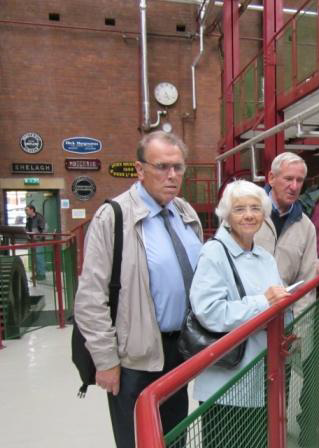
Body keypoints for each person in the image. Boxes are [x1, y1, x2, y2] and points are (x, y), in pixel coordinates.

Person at [74, 131, 203, 448]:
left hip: (179, 350)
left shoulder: (185, 213)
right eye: (162, 167)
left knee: (174, 437)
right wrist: (105, 361)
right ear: (139, 169)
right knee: (137, 441)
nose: (172, 176)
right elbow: (90, 299)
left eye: (178, 167)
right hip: (133, 357)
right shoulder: (114, 217)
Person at [189, 180, 291, 448]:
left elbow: (277, 302)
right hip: (228, 383)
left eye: (256, 208)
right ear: (226, 214)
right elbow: (209, 311)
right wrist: (263, 302)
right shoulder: (214, 253)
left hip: (264, 375)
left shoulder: (264, 257)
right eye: (240, 209)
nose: (249, 215)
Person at [254, 152, 318, 446]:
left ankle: (274, 439)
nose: (294, 186)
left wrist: (301, 331)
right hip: (248, 323)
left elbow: (306, 283)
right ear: (271, 178)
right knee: (249, 392)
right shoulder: (249, 212)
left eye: (299, 180)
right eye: (288, 178)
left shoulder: (306, 227)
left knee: (282, 389)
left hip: (284, 326)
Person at [25, 204, 47, 279]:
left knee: (39, 257)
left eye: (27, 210)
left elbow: (44, 229)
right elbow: (27, 229)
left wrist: (37, 237)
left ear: (32, 210)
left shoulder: (39, 218)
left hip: (38, 241)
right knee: (35, 258)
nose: (26, 211)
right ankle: (37, 274)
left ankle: (42, 275)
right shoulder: (29, 219)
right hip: (32, 241)